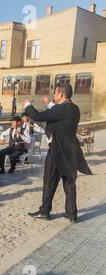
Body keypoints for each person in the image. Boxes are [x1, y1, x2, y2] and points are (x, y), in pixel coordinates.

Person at [24, 82, 92, 223]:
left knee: (49, 181)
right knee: (69, 183)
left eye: (55, 92)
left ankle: (44, 211)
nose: (54, 95)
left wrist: (27, 106)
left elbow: (37, 116)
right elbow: (57, 115)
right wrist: (49, 103)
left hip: (57, 150)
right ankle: (72, 214)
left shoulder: (61, 109)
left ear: (61, 93)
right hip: (70, 150)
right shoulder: (75, 108)